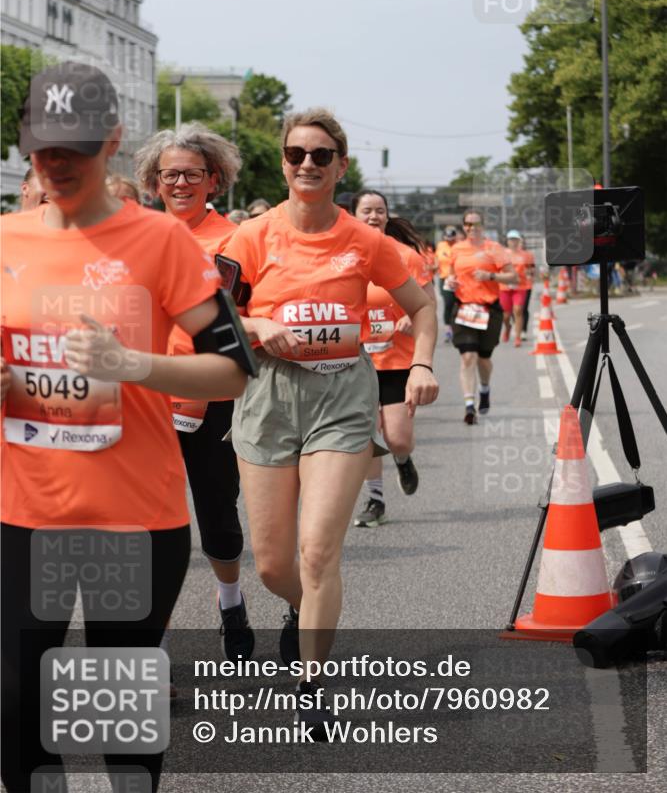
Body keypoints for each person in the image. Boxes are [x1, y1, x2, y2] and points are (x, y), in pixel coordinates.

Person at [0, 62, 248, 792]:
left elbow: (232, 371)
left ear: (112, 140)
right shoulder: (5, 240)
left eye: (76, 146)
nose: (59, 163)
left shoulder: (162, 243)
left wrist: (132, 364)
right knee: (17, 706)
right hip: (24, 514)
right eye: (45, 146)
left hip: (133, 517)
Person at [223, 108, 438, 728]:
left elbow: (421, 310)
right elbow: (211, 313)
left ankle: (313, 682)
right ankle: (306, 608)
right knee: (271, 564)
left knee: (318, 553)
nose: (308, 165)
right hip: (267, 396)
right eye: (297, 155)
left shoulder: (367, 241)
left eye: (321, 156)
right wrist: (258, 323)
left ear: (341, 166)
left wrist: (420, 365)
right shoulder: (252, 237)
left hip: (342, 396)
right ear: (284, 163)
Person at [134, 123, 254, 660]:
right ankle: (151, 645)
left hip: (212, 398)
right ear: (153, 182)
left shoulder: (236, 239)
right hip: (141, 398)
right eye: (169, 174)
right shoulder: (129, 235)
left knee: (217, 517)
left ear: (214, 180)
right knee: (144, 526)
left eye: (191, 173)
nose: (179, 183)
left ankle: (230, 600)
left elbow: (248, 315)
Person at [351, 191, 435, 528]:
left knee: (397, 437)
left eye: (379, 211)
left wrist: (411, 321)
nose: (373, 216)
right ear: (353, 214)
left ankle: (402, 458)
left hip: (397, 360)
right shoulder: (343, 254)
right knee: (368, 436)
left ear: (387, 216)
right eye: (366, 210)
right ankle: (376, 501)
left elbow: (428, 306)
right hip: (356, 361)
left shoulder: (406, 256)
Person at [448, 209, 515, 425]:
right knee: (468, 356)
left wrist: (490, 275)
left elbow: (513, 276)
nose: (471, 228)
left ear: (483, 226)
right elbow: (451, 274)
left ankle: (484, 389)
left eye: (476, 224)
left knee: (484, 359)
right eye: (468, 224)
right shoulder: (456, 249)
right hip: (464, 309)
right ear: (464, 226)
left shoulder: (494, 249)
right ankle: (469, 405)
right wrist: (450, 282)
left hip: (489, 310)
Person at [499, 229, 535, 347]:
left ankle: (517, 337)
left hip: (520, 286)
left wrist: (529, 274)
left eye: (515, 239)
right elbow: (497, 269)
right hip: (504, 287)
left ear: (519, 241)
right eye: (511, 239)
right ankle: (508, 327)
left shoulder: (526, 255)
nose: (513, 242)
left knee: (518, 310)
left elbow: (531, 270)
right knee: (506, 315)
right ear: (507, 241)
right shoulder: (502, 254)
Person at [435, 226, 460, 342]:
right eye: (447, 237)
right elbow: (436, 261)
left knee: (458, 304)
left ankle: (457, 328)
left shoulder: (460, 246)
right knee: (448, 303)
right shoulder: (441, 246)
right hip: (445, 279)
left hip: (459, 279)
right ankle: (448, 329)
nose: (450, 240)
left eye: (452, 237)